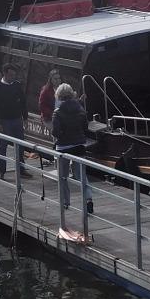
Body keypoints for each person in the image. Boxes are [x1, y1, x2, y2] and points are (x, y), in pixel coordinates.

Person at [51, 83, 93, 214]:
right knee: (81, 175)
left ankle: (65, 202)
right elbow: (85, 128)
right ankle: (88, 199)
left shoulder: (57, 113)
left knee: (62, 176)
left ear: (59, 96)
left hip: (63, 147)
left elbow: (55, 132)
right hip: (79, 145)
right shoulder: (80, 109)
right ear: (71, 94)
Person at [0, 63, 30, 179]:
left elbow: (23, 102)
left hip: (17, 119)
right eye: (11, 74)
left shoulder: (17, 85)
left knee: (20, 145)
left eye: (14, 75)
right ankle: (1, 171)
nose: (13, 77)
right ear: (5, 74)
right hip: (4, 121)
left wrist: (25, 118)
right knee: (2, 146)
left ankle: (21, 169)